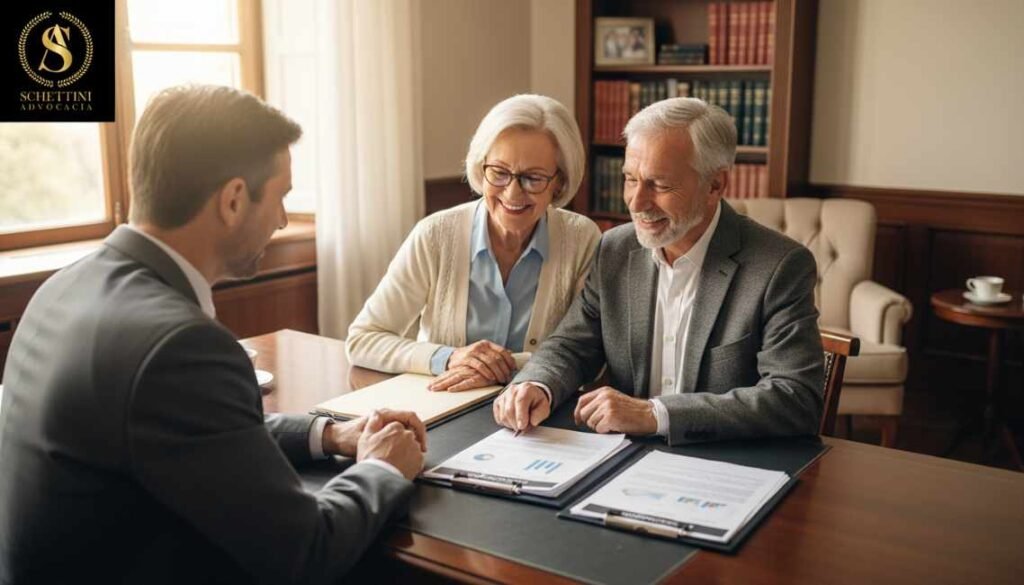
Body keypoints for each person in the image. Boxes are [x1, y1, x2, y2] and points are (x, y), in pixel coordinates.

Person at [0, 85, 426, 584]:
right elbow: (307, 552)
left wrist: (332, 434)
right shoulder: (180, 346)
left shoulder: (65, 286)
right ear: (232, 200)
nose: (284, 219)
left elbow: (191, 431)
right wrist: (382, 469)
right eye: (282, 196)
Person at [493, 97, 824, 445]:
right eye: (630, 179)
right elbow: (573, 345)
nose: (636, 202)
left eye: (660, 185)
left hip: (726, 463)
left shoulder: (780, 266)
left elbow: (796, 398)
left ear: (715, 185)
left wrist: (656, 415)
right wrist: (536, 383)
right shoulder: (615, 249)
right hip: (621, 460)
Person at [347, 94, 601, 393]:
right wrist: (450, 358)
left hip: (537, 414)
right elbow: (363, 339)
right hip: (443, 408)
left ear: (560, 181)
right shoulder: (435, 235)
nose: (513, 193)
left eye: (533, 178)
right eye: (500, 173)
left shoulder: (582, 239)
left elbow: (591, 352)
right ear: (481, 168)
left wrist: (496, 369)